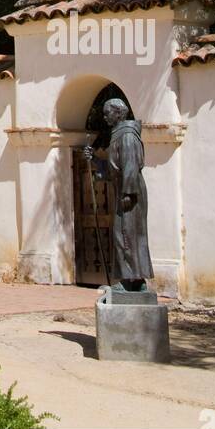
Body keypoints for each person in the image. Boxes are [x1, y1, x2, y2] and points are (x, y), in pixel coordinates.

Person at [84, 97, 153, 290]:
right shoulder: (120, 135)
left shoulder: (128, 136)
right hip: (126, 190)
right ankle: (135, 282)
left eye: (107, 113)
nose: (105, 117)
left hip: (130, 193)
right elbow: (115, 168)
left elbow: (130, 165)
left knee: (125, 235)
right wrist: (96, 160)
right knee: (127, 235)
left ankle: (130, 281)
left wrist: (128, 193)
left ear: (118, 113)